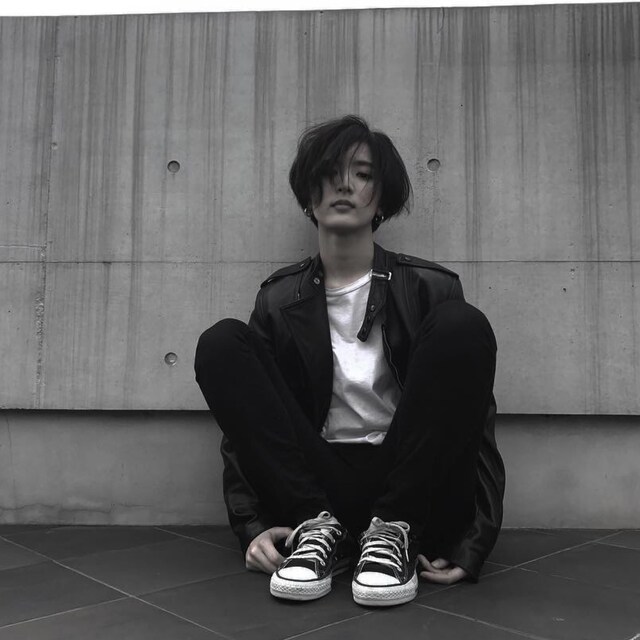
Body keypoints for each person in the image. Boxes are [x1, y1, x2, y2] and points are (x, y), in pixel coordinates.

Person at [195, 115, 504, 607]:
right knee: (221, 343)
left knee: (462, 325)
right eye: (329, 172)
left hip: (411, 483)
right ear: (309, 194)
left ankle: (393, 531)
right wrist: (251, 525)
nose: (344, 184)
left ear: (381, 198)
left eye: (362, 174)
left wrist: (474, 543)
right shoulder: (278, 299)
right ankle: (319, 530)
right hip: (316, 486)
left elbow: (475, 420)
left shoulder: (431, 287)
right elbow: (247, 427)